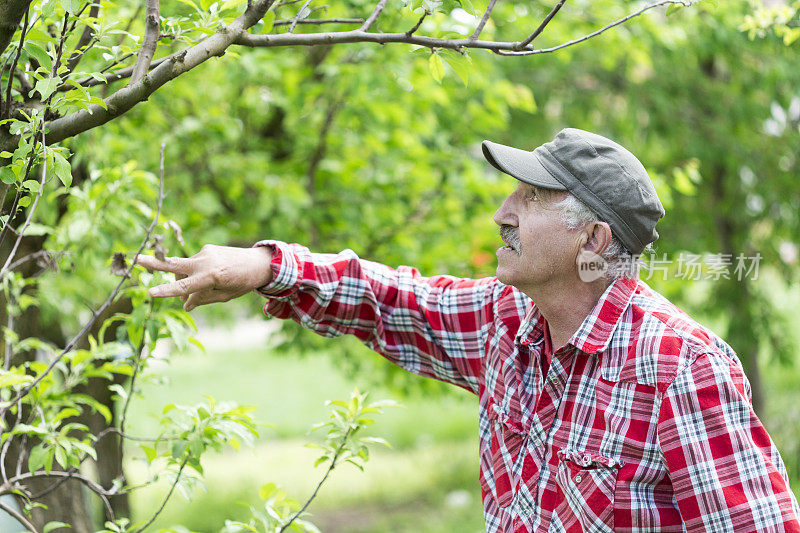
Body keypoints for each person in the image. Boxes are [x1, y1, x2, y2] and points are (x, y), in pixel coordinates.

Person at [136, 128, 800, 532]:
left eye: (531, 198)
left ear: (594, 238)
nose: (501, 213)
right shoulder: (505, 326)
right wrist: (262, 267)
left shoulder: (679, 365)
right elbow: (387, 298)